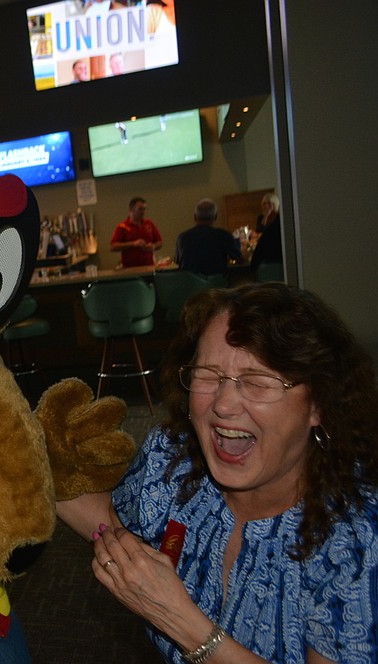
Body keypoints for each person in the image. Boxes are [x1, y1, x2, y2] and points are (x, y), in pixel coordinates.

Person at [58, 282, 378, 662]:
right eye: (208, 375)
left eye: (258, 382)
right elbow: (118, 524)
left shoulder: (358, 535)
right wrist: (31, 469)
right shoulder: (174, 459)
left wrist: (181, 620)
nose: (224, 405)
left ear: (319, 405)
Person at [174, 198, 241, 276]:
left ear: (195, 217)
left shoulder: (182, 238)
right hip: (216, 285)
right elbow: (238, 258)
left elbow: (177, 261)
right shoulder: (223, 235)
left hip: (189, 285)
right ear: (215, 216)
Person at [110, 196, 163, 267]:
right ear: (131, 210)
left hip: (149, 267)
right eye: (140, 209)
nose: (143, 212)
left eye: (144, 209)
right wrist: (133, 244)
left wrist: (153, 246)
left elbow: (159, 242)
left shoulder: (149, 224)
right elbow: (113, 246)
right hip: (130, 269)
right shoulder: (122, 226)